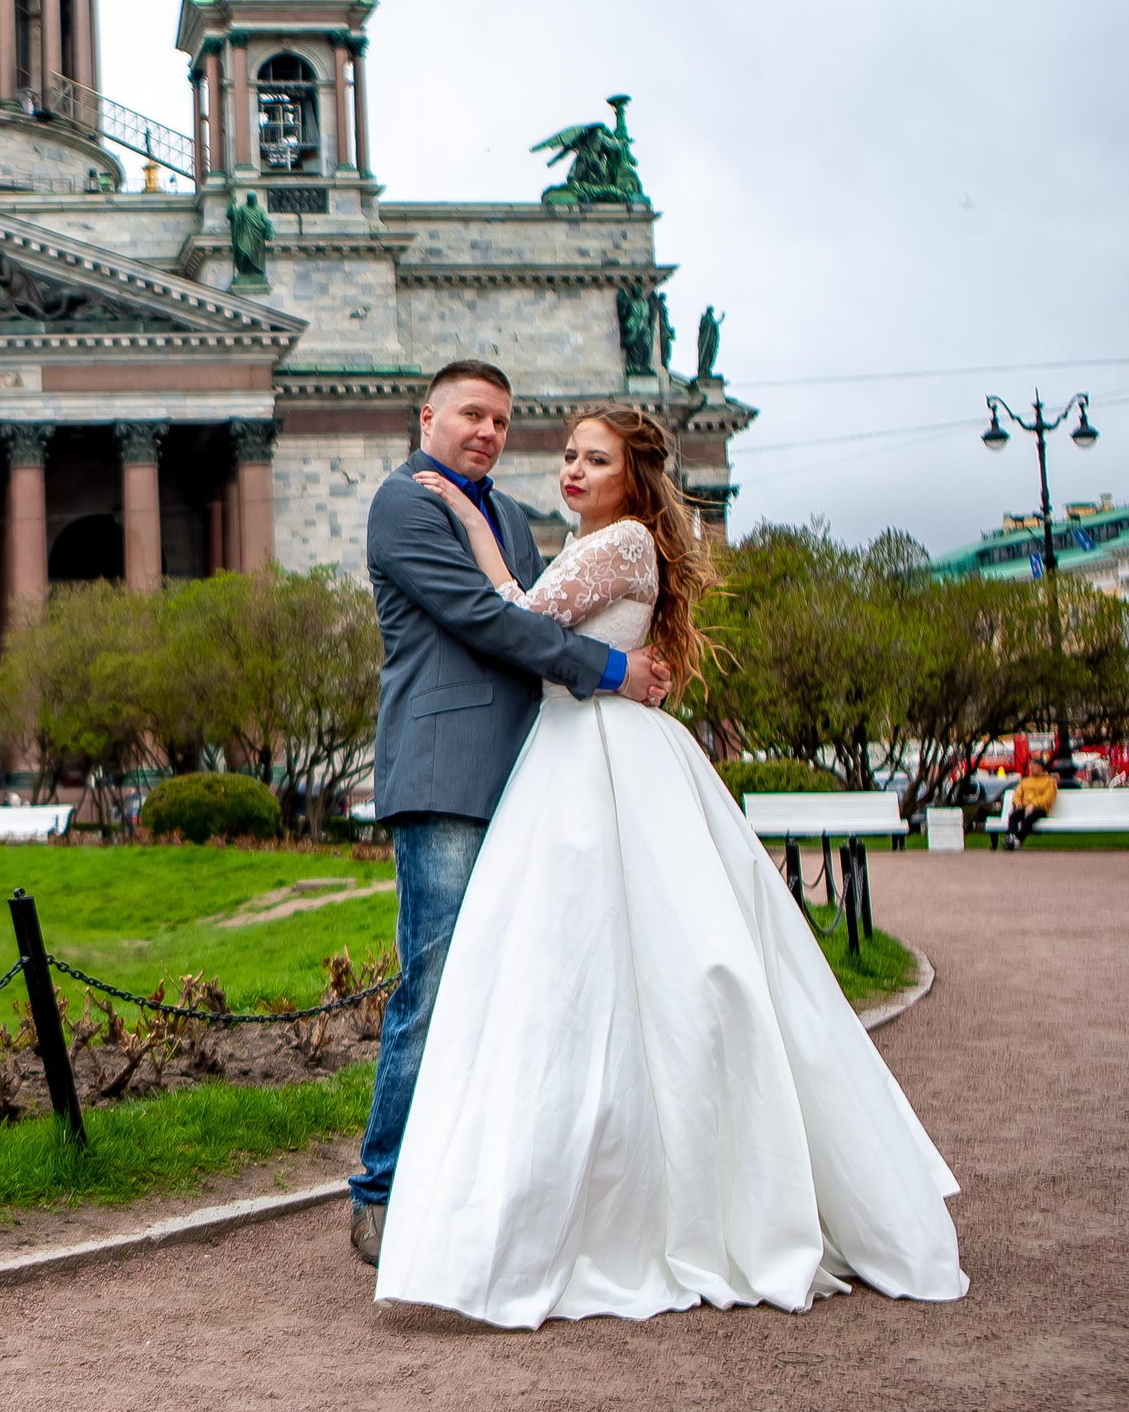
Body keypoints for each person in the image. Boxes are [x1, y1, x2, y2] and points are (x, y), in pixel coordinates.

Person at [374, 404, 967, 1327]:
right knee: (611, 976)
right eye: (567, 453)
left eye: (594, 458)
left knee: (621, 974)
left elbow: (518, 617)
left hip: (599, 761)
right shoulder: (605, 546)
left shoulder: (617, 546)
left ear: (631, 475)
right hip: (581, 757)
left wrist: (464, 514)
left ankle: (613, 1203)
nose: (571, 469)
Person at [350, 359, 671, 1266]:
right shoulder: (405, 503)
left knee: (511, 989)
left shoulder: (510, 517)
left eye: (501, 419)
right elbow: (490, 622)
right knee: (436, 983)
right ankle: (379, 1189)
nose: (489, 432)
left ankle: (466, 1186)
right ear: (428, 416)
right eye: (472, 415)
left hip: (529, 774)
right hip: (448, 771)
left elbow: (541, 619)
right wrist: (613, 671)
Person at [1004, 759, 1057, 848]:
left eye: (1034, 765)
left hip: (1040, 809)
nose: (1031, 767)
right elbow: (1017, 794)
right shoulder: (1025, 780)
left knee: (1029, 818)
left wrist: (1033, 804)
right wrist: (1017, 802)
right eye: (1030, 765)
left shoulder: (1049, 781)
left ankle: (1017, 840)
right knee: (1013, 816)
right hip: (1025, 807)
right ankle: (1012, 839)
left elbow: (1048, 799)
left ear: (1041, 767)